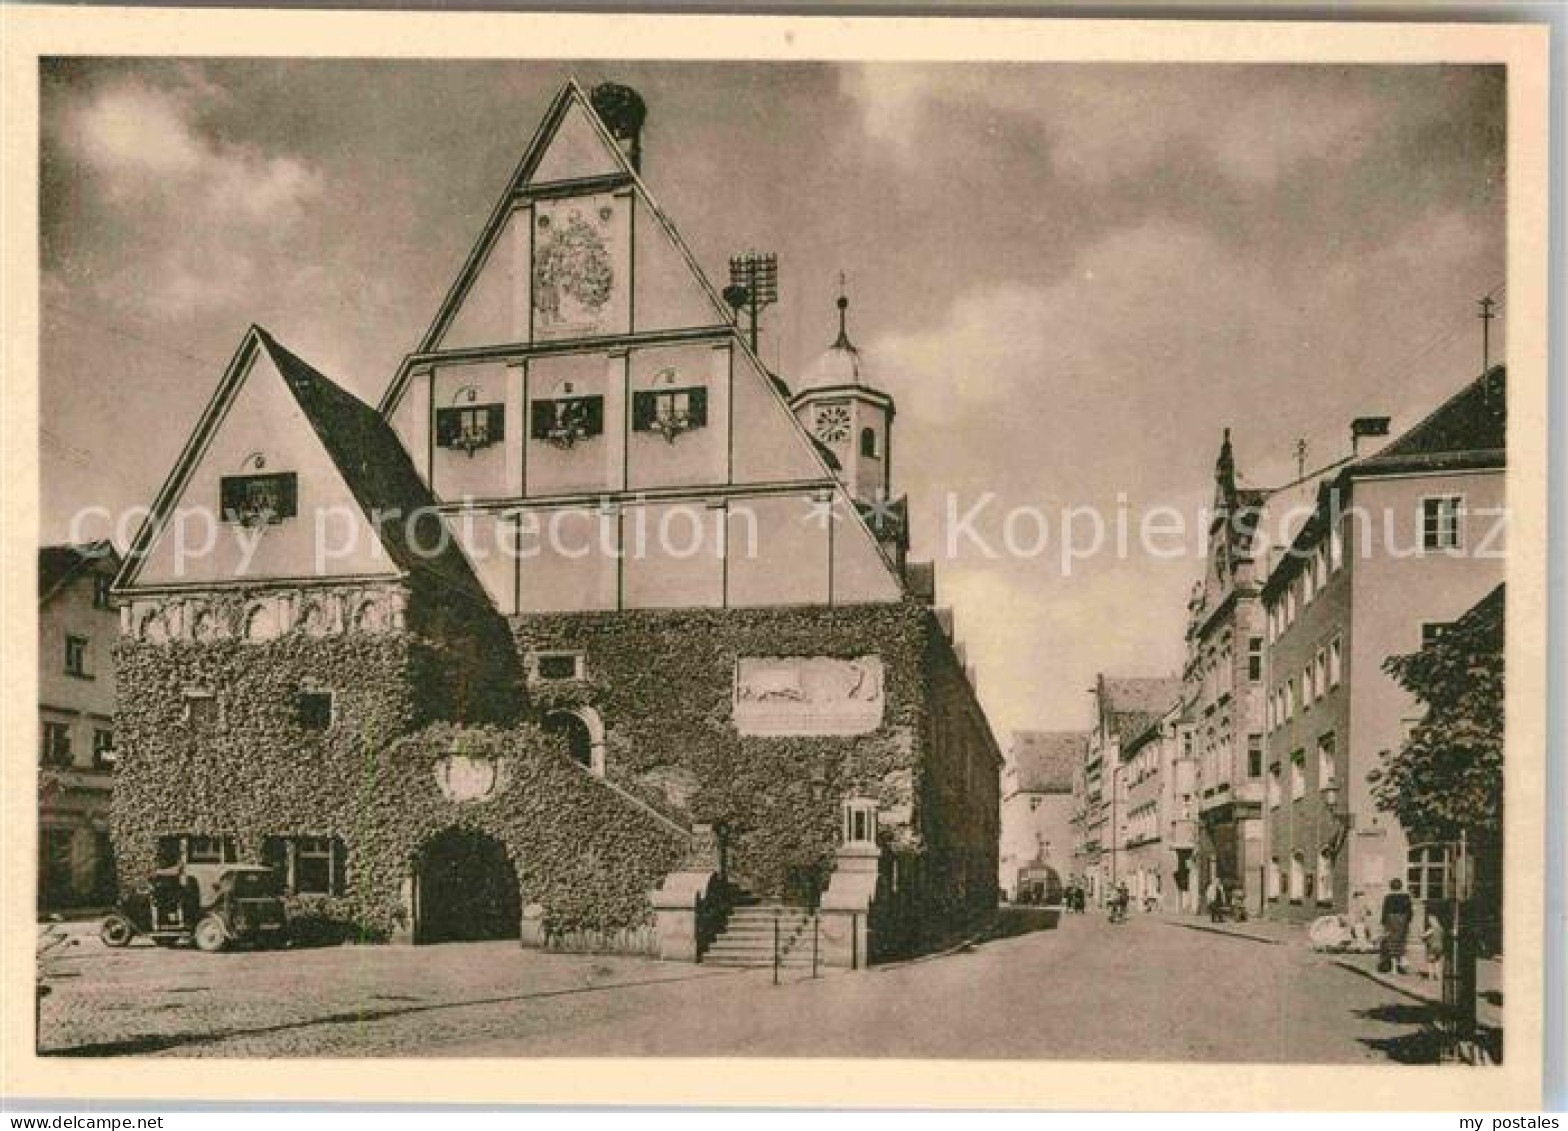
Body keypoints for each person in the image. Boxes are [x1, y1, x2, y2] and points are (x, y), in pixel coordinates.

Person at [1379, 878, 1413, 974]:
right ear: (1401, 886)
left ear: (1391, 886)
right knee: (1401, 943)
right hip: (1403, 921)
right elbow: (1410, 911)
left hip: (1391, 921)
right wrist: (1408, 921)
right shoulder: (1406, 897)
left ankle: (1394, 968)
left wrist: (1384, 923)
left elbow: (1385, 911)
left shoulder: (1388, 897)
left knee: (1392, 943)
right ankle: (1400, 964)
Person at [1421, 911, 1447, 983]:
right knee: (1438, 961)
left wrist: (1422, 936)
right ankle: (1437, 975)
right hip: (1440, 946)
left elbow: (1424, 936)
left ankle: (1431, 976)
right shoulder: (1440, 928)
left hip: (1432, 946)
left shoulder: (1431, 929)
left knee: (1430, 962)